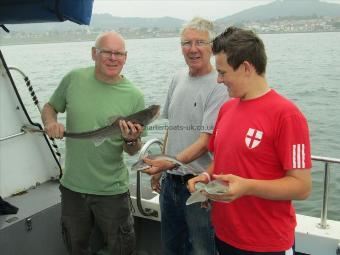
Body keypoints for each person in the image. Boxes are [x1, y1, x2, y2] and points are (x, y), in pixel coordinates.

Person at [188, 27, 312, 255]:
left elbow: (302, 187)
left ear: (246, 67)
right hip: (224, 235)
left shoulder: (287, 115)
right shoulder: (226, 108)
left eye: (223, 72)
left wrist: (247, 187)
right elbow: (223, 160)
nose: (219, 80)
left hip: (266, 243)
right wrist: (206, 177)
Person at [41, 31, 145, 255]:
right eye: (106, 51)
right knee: (75, 247)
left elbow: (133, 150)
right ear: (93, 54)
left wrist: (131, 139)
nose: (112, 58)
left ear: (125, 57)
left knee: (121, 249)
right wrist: (51, 123)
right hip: (72, 188)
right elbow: (50, 107)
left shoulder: (134, 96)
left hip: (112, 191)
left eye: (119, 53)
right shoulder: (74, 79)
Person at [143, 17, 228, 255]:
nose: (192, 49)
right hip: (170, 184)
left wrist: (166, 161)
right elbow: (173, 126)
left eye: (200, 42)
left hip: (200, 186)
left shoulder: (220, 85)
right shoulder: (177, 77)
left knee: (202, 250)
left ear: (212, 46)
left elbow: (205, 143)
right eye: (186, 43)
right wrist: (162, 168)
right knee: (172, 247)